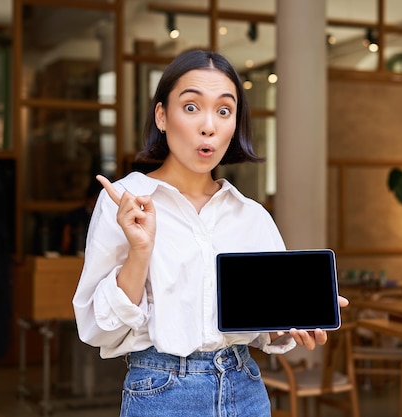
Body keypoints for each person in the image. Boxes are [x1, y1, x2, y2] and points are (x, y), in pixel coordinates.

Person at [72, 49, 349, 416]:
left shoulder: (251, 216)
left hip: (244, 389)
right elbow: (97, 329)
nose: (209, 126)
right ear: (161, 116)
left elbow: (266, 329)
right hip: (161, 392)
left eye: (224, 110)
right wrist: (140, 251)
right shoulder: (126, 202)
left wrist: (290, 325)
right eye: (191, 107)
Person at [60, 180, 102, 255]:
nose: (97, 204)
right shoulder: (75, 215)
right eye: (95, 200)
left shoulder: (103, 215)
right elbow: (65, 241)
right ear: (89, 199)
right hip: (74, 255)